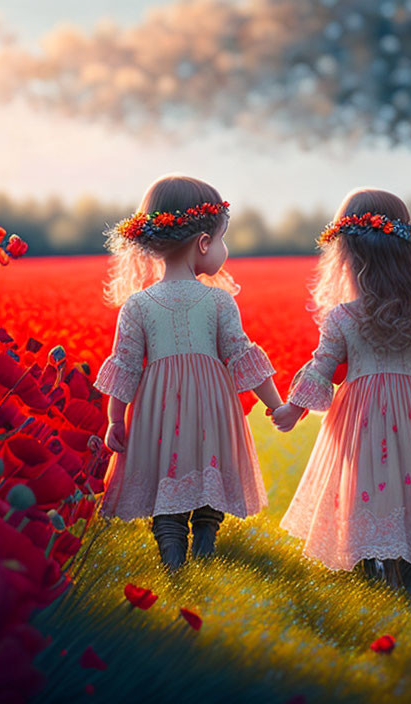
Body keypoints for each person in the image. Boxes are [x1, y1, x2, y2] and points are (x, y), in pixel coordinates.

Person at [271, 187, 411, 587]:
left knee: (369, 479)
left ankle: (376, 552)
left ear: (347, 256)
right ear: (405, 255)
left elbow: (321, 369)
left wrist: (293, 408)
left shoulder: (341, 317)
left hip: (361, 412)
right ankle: (408, 552)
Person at [94, 174, 282, 570]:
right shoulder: (218, 302)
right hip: (211, 405)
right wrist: (275, 405)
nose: (224, 249)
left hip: (158, 409)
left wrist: (115, 419)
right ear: (203, 243)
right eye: (223, 239)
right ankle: (205, 544)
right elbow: (241, 357)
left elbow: (125, 367)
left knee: (169, 477)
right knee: (208, 467)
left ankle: (173, 556)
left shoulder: (138, 306)